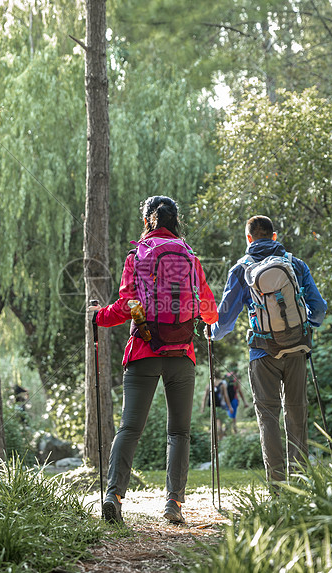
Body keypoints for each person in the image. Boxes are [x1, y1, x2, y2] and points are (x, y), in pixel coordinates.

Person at [90, 196, 218, 525]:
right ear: (176, 221)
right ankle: (174, 504)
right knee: (179, 433)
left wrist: (99, 317)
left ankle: (114, 496)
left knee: (130, 428)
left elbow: (128, 304)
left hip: (144, 351)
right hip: (182, 354)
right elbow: (210, 311)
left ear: (148, 220)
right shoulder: (190, 257)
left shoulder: (139, 255)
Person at [212, 215, 327, 483]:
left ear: (248, 238)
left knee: (268, 419)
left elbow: (225, 319)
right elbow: (319, 308)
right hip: (297, 348)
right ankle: (299, 485)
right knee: (296, 413)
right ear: (274, 236)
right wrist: (305, 326)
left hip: (262, 352)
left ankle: (277, 487)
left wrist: (213, 334)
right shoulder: (295, 264)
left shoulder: (241, 268)